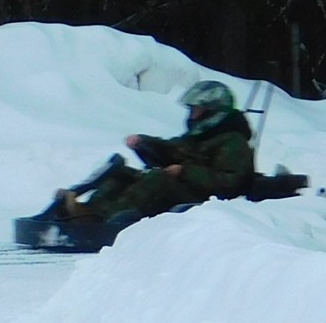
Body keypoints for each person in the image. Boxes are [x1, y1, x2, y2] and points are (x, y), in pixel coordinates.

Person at [54, 79, 258, 228]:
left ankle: (106, 221)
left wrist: (184, 171)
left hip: (205, 197)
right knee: (121, 174)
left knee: (158, 179)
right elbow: (173, 148)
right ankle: (87, 212)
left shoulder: (233, 141)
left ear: (213, 111)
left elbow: (230, 183)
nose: (193, 114)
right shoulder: (199, 136)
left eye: (198, 109)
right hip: (186, 187)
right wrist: (143, 142)